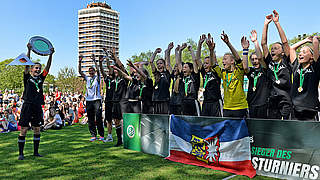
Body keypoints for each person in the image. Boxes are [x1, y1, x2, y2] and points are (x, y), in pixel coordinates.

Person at [18, 43, 54, 160]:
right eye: (36, 68)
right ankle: (21, 154)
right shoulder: (27, 77)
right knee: (23, 129)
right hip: (27, 105)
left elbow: (47, 68)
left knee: (37, 129)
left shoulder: (41, 78)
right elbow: (27, 64)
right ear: (32, 69)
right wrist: (29, 50)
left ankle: (35, 152)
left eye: (39, 68)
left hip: (37, 106)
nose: (38, 70)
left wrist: (50, 55)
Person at [261, 10, 292, 120]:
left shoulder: (286, 61)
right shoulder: (269, 62)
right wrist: (265, 24)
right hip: (272, 101)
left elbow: (285, 43)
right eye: (272, 49)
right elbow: (263, 44)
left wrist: (277, 23)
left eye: (276, 48)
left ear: (282, 52)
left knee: (284, 130)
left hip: (285, 101)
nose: (272, 50)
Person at [213, 31, 248, 118]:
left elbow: (238, 58)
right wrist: (211, 50)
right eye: (223, 59)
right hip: (227, 108)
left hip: (240, 107)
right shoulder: (223, 73)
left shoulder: (239, 71)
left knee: (241, 131)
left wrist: (228, 43)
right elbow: (213, 64)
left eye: (225, 59)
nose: (223, 61)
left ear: (232, 61)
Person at [289, 36, 320, 120]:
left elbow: (316, 48)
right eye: (300, 52)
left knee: (309, 133)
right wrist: (305, 40)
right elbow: (291, 48)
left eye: (304, 52)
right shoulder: (296, 67)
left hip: (310, 110)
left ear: (312, 56)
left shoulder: (315, 67)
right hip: (295, 109)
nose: (300, 54)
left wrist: (315, 41)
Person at [78, 54, 106, 142]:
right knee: (90, 119)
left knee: (98, 118)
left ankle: (101, 135)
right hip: (89, 100)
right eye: (90, 71)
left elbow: (98, 71)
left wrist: (94, 61)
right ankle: (93, 135)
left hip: (97, 100)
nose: (91, 72)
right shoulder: (87, 78)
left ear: (94, 71)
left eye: (92, 71)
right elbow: (80, 72)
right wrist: (80, 62)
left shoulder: (97, 78)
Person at [243, 30, 269, 118]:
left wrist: (255, 42)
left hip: (263, 103)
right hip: (252, 102)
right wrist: (245, 50)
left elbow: (261, 57)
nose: (254, 61)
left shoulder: (265, 69)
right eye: (252, 59)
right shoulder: (250, 71)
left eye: (256, 59)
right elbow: (245, 67)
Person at [198, 34, 222, 117]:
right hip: (205, 102)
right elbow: (197, 59)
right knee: (205, 123)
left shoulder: (216, 72)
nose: (204, 65)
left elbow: (213, 61)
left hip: (215, 102)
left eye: (207, 63)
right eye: (204, 63)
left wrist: (211, 50)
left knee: (216, 123)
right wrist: (200, 44)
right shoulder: (204, 73)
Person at [149, 47, 171, 114]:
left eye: (161, 63)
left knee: (164, 119)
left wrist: (168, 51)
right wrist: (155, 52)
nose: (159, 65)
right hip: (156, 100)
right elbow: (151, 62)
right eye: (157, 64)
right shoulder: (156, 74)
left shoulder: (167, 73)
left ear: (164, 65)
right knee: (157, 119)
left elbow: (167, 63)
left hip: (165, 100)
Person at [99, 52, 114, 142]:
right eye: (109, 70)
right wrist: (100, 62)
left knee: (117, 119)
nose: (109, 70)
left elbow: (109, 66)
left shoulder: (116, 78)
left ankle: (122, 136)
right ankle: (109, 136)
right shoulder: (107, 78)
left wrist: (107, 56)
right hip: (108, 101)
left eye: (111, 69)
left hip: (115, 101)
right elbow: (102, 70)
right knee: (108, 120)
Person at [169, 43, 186, 115]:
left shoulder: (182, 76)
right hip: (172, 103)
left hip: (180, 103)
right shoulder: (174, 77)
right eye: (174, 67)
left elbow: (178, 63)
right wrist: (174, 50)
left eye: (176, 67)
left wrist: (180, 51)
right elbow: (167, 64)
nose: (174, 68)